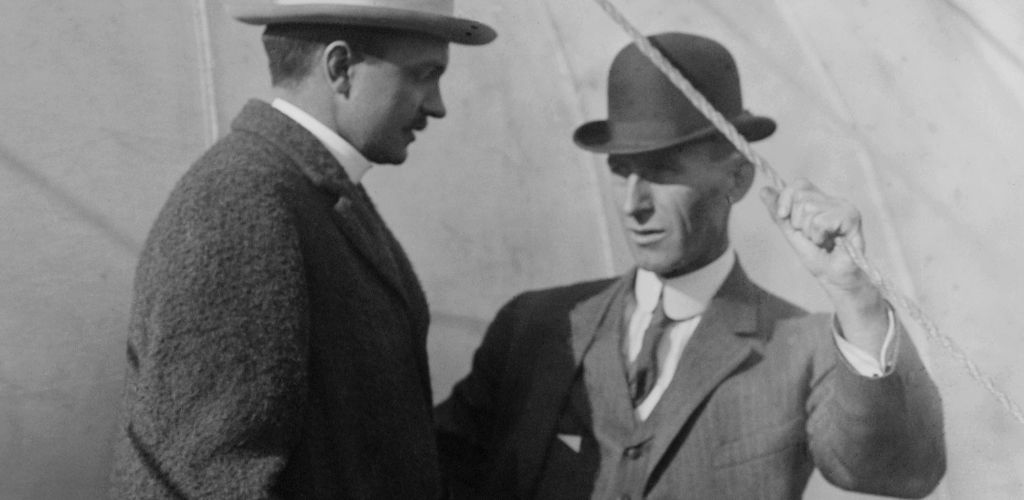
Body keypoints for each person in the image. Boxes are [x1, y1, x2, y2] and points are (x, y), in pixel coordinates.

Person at [435, 32, 945, 499]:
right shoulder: (536, 327)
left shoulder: (801, 348)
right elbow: (425, 469)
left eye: (662, 172)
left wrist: (854, 292)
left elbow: (902, 472)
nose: (634, 203)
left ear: (737, 180)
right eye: (621, 171)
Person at [110, 1, 495, 498]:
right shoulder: (243, 201)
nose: (437, 104)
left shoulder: (313, 192)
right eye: (425, 74)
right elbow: (210, 479)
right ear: (340, 69)